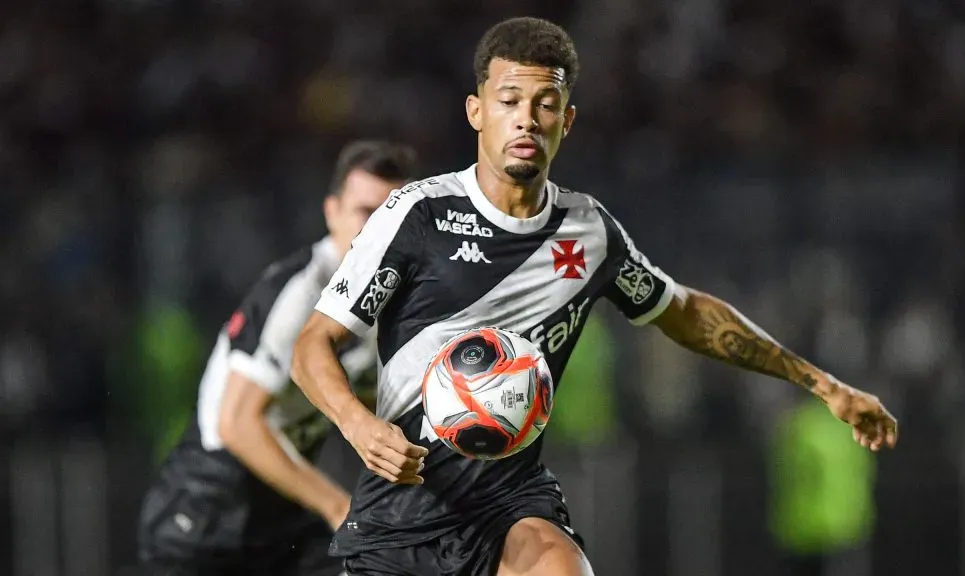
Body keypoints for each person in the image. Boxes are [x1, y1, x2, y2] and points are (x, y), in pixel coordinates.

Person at [290, 17, 899, 576]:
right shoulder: (417, 213)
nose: (527, 118)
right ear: (477, 112)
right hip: (400, 513)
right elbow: (313, 344)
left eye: (545, 103)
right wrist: (357, 424)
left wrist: (821, 383)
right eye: (509, 102)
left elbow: (683, 312)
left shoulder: (589, 231)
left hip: (508, 501)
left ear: (567, 119)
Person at [132, 140, 418, 576]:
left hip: (278, 509)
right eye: (364, 212)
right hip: (208, 502)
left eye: (391, 217)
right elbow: (238, 423)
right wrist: (337, 505)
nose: (377, 231)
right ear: (331, 212)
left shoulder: (389, 299)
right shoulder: (301, 292)